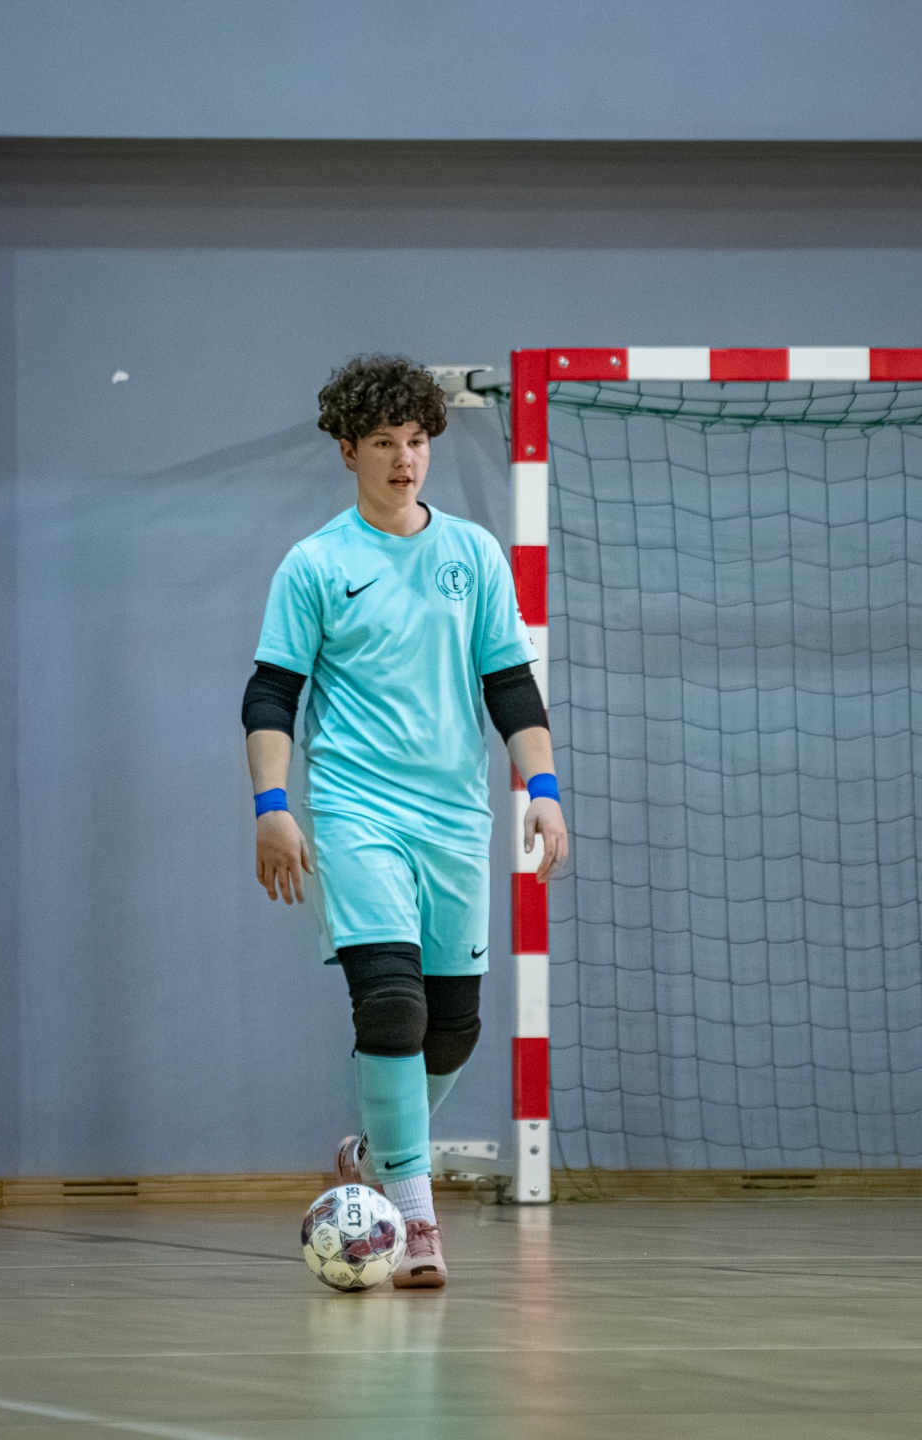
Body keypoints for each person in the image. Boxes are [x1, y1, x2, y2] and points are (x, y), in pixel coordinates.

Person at [242, 355, 568, 1288]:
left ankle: (374, 1152)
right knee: (391, 1005)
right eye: (383, 442)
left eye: (417, 440)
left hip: (455, 818)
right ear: (348, 451)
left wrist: (544, 788)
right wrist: (273, 807)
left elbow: (511, 686)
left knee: (453, 1028)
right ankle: (414, 1218)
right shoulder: (316, 564)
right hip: (355, 811)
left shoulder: (474, 555)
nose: (403, 459)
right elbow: (271, 694)